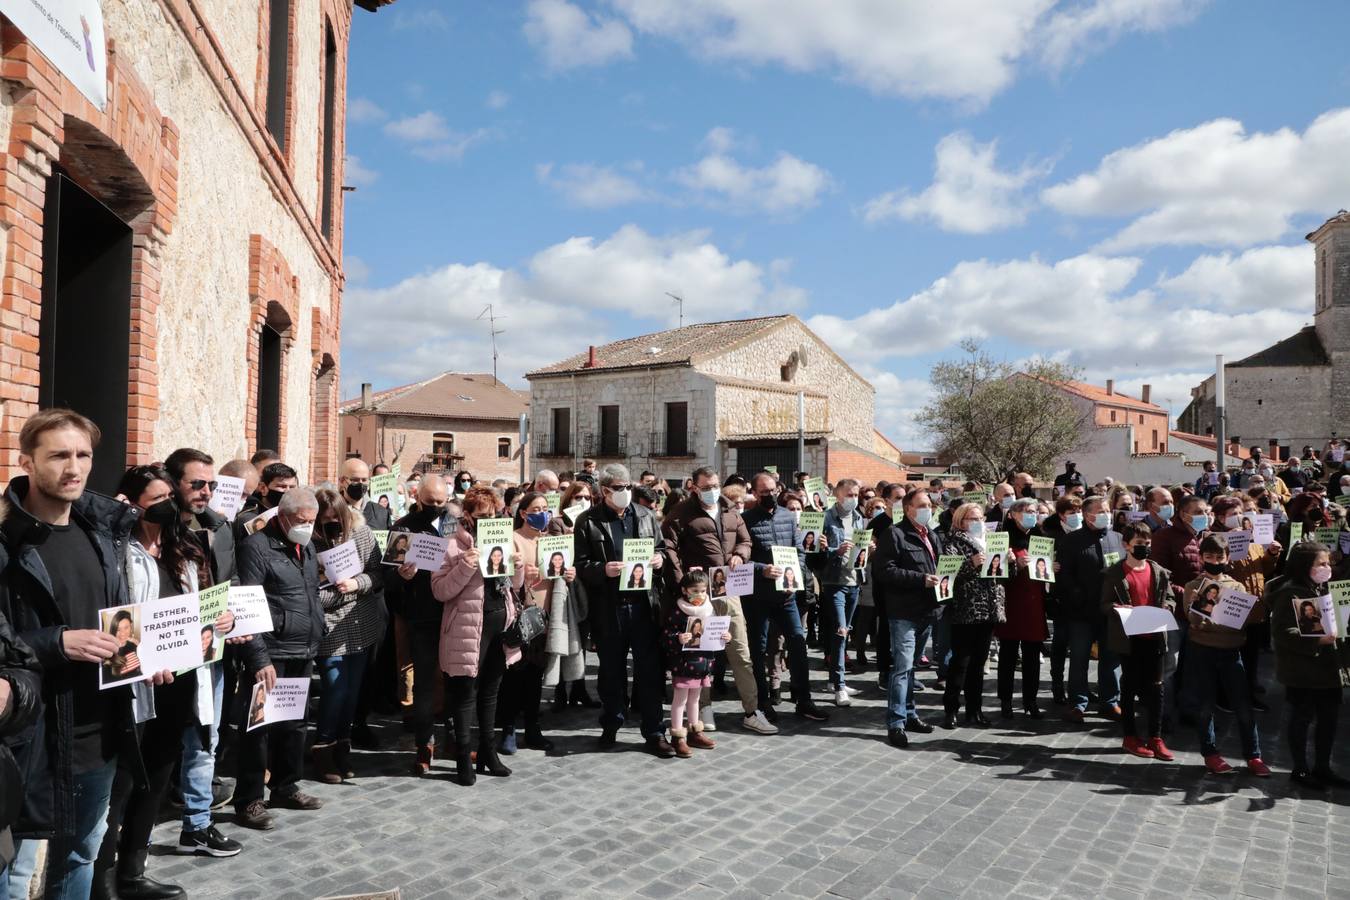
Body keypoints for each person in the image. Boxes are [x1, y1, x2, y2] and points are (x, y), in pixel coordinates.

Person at [1, 410, 171, 899]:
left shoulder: (103, 533)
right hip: (27, 736)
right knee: (13, 872)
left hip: (99, 732)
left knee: (81, 855)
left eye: (83, 455)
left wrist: (143, 658)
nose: (73, 467)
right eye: (58, 455)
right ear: (27, 462)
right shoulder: (6, 539)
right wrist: (58, 642)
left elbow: (117, 623)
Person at [97, 464, 237, 897]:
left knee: (157, 776)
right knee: (119, 785)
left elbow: (197, 612)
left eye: (167, 499)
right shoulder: (115, 550)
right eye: (154, 500)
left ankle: (133, 872)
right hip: (133, 686)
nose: (165, 508)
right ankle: (100, 881)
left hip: (180, 681)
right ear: (131, 504)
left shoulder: (186, 548)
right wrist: (143, 661)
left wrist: (220, 620)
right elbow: (115, 621)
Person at [662, 467, 789, 733]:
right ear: (694, 487)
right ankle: (703, 708)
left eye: (715, 485)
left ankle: (752, 711)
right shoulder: (680, 514)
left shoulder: (731, 511)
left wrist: (740, 555)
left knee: (741, 653)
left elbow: (745, 540)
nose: (712, 491)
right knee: (701, 652)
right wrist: (683, 580)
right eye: (706, 486)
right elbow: (669, 548)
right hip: (698, 594)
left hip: (728, 589)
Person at [162, 448, 242, 859]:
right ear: (173, 482)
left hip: (210, 654)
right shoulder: (154, 530)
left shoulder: (219, 528)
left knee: (203, 741)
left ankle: (197, 824)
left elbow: (228, 582)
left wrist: (230, 617)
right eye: (196, 483)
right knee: (157, 748)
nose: (206, 491)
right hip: (162, 659)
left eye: (210, 484)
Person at [233, 487, 327, 830]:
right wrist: (258, 658)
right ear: (283, 516)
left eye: (312, 521)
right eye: (302, 521)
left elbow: (310, 592)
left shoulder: (307, 545)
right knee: (258, 726)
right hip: (271, 650)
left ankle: (285, 786)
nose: (307, 526)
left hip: (303, 648)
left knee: (294, 724)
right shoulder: (257, 547)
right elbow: (245, 603)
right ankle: (249, 799)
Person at [574, 464, 675, 757]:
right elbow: (580, 565)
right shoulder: (587, 521)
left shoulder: (644, 515)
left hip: (644, 605)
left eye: (627, 487)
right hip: (609, 608)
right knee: (611, 671)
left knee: (650, 671)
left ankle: (655, 731)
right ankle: (611, 723)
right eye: (619, 488)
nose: (625, 492)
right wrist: (602, 569)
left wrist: (660, 559)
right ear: (605, 491)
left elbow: (662, 548)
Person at [430, 486, 525, 784]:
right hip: (467, 629)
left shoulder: (503, 539)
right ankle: (463, 758)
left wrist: (519, 568)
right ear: (468, 516)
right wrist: (466, 565)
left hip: (500, 625)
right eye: (482, 515)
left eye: (493, 514)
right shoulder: (449, 545)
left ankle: (488, 752)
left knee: (490, 693)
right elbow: (440, 590)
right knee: (464, 696)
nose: (489, 519)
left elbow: (514, 586)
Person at [741, 473, 829, 729]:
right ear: (755, 494)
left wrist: (796, 573)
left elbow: (799, 549)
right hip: (757, 596)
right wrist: (762, 569)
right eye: (764, 491)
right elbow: (740, 556)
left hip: (787, 594)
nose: (770, 494)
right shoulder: (746, 520)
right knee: (759, 649)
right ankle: (763, 701)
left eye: (773, 489)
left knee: (798, 643)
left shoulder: (788, 517)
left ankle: (804, 699)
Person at [310, 488, 385, 784]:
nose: (332, 523)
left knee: (352, 692)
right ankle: (323, 748)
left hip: (360, 625)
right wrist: (338, 594)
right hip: (330, 626)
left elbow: (378, 574)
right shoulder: (312, 543)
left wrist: (357, 583)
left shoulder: (362, 534)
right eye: (325, 519)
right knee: (334, 690)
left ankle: (343, 745)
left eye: (336, 518)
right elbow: (312, 594)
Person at [1182, 536, 1270, 776]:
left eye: (1219, 557)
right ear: (1201, 558)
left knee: (1242, 705)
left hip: (1231, 651)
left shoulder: (1237, 587)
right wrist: (1199, 613)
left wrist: (1214, 622)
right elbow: (1195, 623)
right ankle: (1210, 753)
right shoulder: (1193, 586)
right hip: (1202, 650)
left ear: (1227, 558)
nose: (1214, 561)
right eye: (1209, 557)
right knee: (1205, 705)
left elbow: (1239, 623)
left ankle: (1253, 755)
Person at [385, 476, 454, 776]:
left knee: (455, 681)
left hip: (453, 611)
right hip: (421, 614)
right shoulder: (403, 526)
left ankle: (455, 739)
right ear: (418, 498)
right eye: (430, 503)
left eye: (441, 503)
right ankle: (424, 745)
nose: (436, 508)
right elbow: (387, 577)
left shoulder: (455, 522)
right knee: (425, 683)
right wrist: (403, 576)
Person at [1269, 541, 1350, 788]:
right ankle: (1300, 768)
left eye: (1328, 563)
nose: (1327, 568)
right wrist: (1317, 641)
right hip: (1303, 670)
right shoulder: (1290, 592)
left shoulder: (1324, 588)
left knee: (1329, 720)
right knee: (1301, 719)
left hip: (1330, 669)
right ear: (1306, 566)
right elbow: (1283, 632)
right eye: (1321, 564)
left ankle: (1323, 766)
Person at [498, 492, 573, 755]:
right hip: (519, 619)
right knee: (513, 678)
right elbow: (500, 574)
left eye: (545, 508)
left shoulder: (552, 541)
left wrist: (569, 573)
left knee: (534, 678)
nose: (542, 513)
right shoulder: (512, 539)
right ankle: (508, 729)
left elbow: (558, 573)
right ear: (523, 513)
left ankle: (532, 727)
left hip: (544, 618)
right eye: (536, 508)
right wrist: (519, 571)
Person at [874, 487, 944, 748]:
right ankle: (896, 723)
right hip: (903, 612)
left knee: (912, 669)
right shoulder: (895, 534)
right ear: (908, 508)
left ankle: (911, 714)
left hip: (928, 610)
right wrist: (920, 580)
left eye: (930, 504)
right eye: (923, 504)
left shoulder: (932, 535)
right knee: (901, 669)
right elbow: (883, 571)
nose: (929, 509)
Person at [1102, 523, 1174, 760]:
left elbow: (1170, 597)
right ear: (1126, 545)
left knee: (1156, 688)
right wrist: (1117, 609)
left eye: (1147, 544)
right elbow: (1104, 604)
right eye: (1139, 544)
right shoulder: (1115, 573)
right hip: (1129, 638)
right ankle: (1130, 736)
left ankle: (1156, 737)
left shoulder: (1158, 571)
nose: (1144, 548)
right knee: (1130, 686)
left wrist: (1167, 607)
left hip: (1154, 635)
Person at [940, 503, 1003, 729]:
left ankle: (974, 709)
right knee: (961, 662)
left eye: (980, 518)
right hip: (965, 608)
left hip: (989, 608)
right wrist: (971, 564)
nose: (978, 522)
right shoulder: (953, 541)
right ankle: (951, 709)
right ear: (961, 520)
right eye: (972, 518)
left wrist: (1010, 563)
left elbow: (1003, 575)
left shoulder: (993, 539)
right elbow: (947, 574)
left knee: (979, 662)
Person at [662, 571, 729, 757]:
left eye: (702, 590)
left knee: (695, 700)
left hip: (703, 663)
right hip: (684, 664)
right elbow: (666, 634)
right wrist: (678, 638)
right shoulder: (678, 610)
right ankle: (677, 736)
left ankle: (694, 731)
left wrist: (725, 637)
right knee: (680, 700)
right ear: (684, 590)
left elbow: (716, 631)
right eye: (694, 590)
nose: (699, 594)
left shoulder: (709, 608)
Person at [994, 499, 1050, 720]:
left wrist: (1051, 569)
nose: (1032, 515)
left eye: (1035, 511)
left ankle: (1031, 701)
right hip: (1011, 604)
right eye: (1027, 511)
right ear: (1013, 514)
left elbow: (1045, 572)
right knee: (1008, 656)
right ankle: (1006, 701)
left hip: (1034, 604)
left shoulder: (1041, 539)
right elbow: (994, 573)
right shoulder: (1002, 539)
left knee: (1032, 657)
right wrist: (1013, 565)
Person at [819, 479, 867, 707]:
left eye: (856, 494)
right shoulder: (827, 518)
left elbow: (861, 548)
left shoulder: (859, 518)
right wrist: (834, 550)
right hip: (834, 581)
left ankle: (834, 679)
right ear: (838, 494)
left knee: (844, 631)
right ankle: (839, 685)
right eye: (849, 494)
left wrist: (868, 550)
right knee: (840, 631)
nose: (853, 498)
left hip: (854, 580)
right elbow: (815, 552)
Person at [339, 457, 391, 531]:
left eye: (364, 480)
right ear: (342, 481)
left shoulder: (382, 513)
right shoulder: (333, 512)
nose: (361, 484)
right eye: (355, 480)